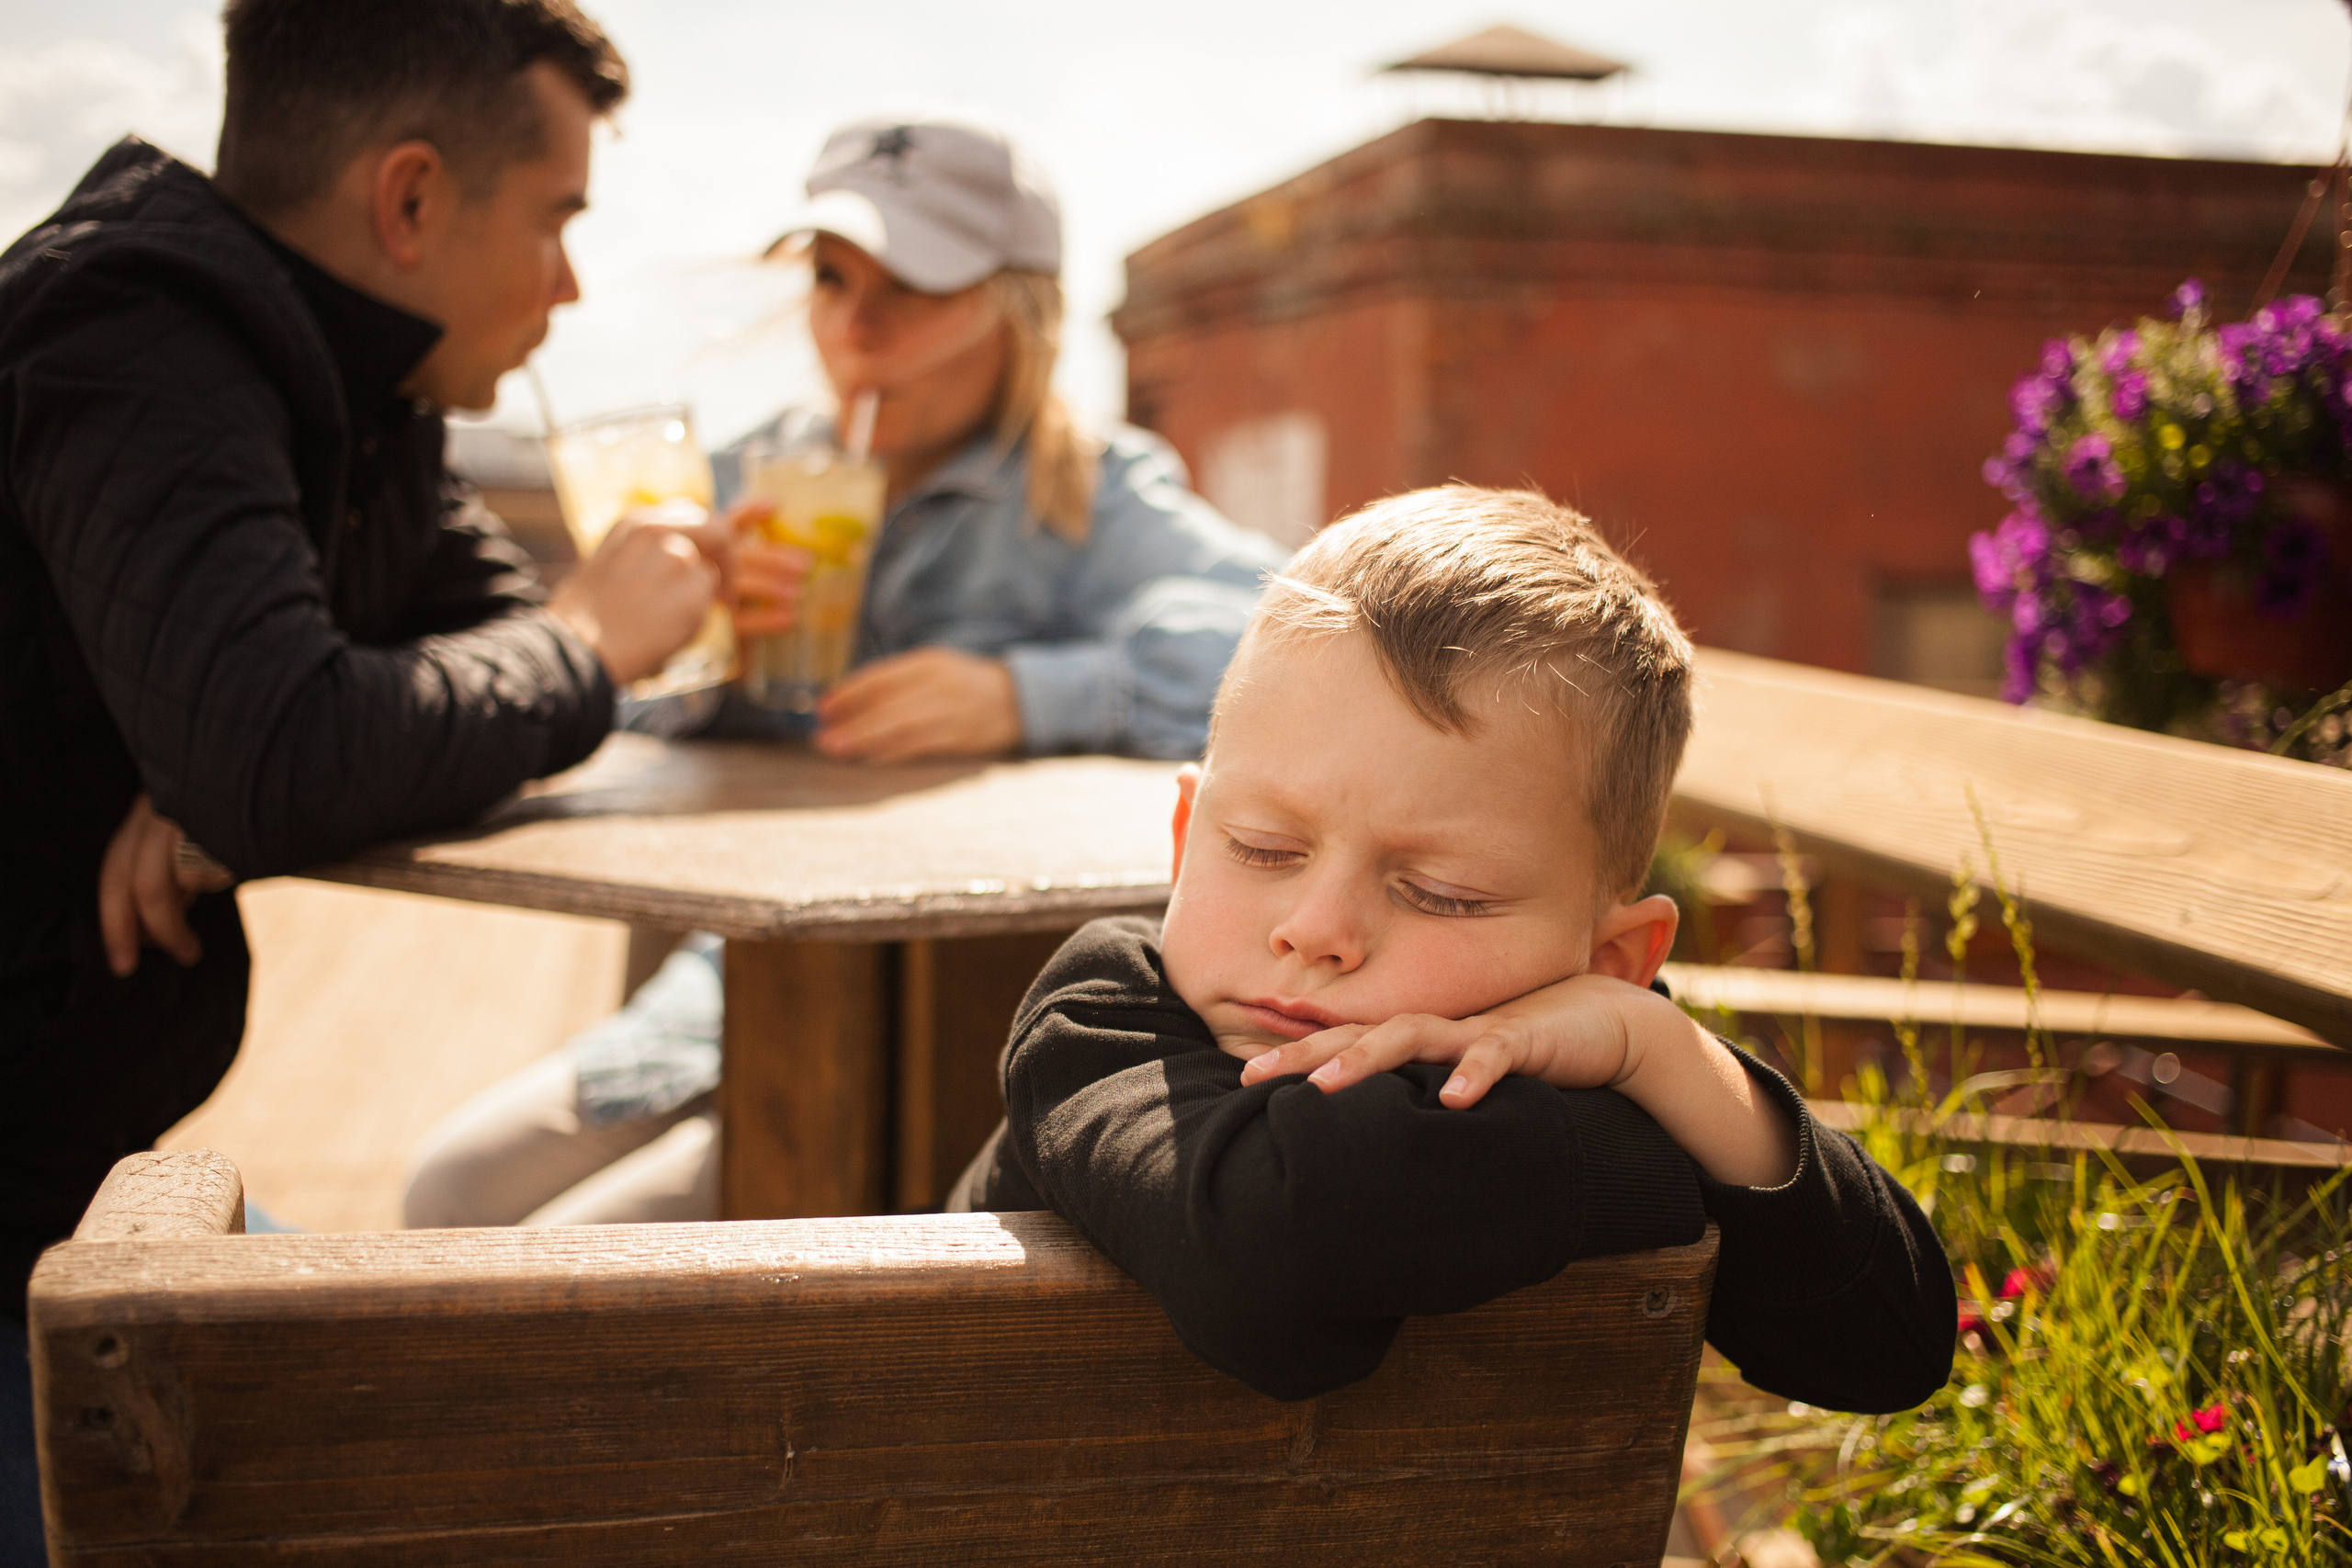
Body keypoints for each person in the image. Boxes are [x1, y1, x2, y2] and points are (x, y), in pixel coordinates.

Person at [0, 0, 724, 1549]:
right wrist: (588, 643)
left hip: (81, 1184)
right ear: (406, 200)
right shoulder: (141, 335)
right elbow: (311, 739)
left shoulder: (367, 389)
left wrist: (231, 759)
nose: (572, 282)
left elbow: (438, 672)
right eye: (555, 219)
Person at [399, 114, 1286, 1230]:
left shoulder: (1087, 494)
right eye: (829, 278)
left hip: (983, 1026)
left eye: (912, 284)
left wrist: (1027, 694)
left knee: (561, 1258)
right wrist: (697, 657)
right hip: (738, 987)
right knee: (448, 1192)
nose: (857, 327)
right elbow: (610, 715)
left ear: (1017, 307)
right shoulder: (746, 470)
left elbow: (1283, 636)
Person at [947, 485, 1956, 1410]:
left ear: (1609, 965)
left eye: (1441, 896)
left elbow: (1890, 1352)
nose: (1317, 929)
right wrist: (1659, 1144)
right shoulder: (1098, 1012)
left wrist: (1665, 1056)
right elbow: (1276, 1270)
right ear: (1183, 840)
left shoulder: (1593, 1046)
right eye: (1261, 848)